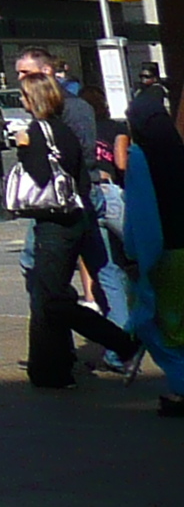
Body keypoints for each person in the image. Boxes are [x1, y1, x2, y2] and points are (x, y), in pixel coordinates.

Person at [10, 71, 139, 387]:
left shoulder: (38, 132)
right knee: (47, 297)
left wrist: (23, 147)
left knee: (53, 300)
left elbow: (40, 176)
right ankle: (50, 370)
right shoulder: (64, 131)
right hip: (75, 218)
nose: (21, 101)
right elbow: (79, 177)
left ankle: (122, 343)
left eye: (24, 95)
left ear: (34, 99)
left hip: (55, 224)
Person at [117, 95, 184, 416]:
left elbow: (140, 216)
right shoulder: (180, 152)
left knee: (159, 325)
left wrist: (133, 255)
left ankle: (182, 386)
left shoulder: (142, 158)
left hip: (167, 255)